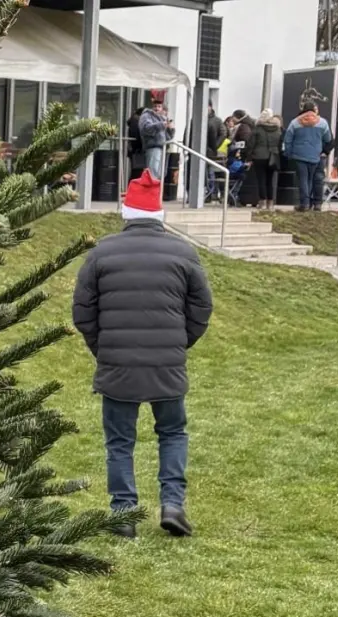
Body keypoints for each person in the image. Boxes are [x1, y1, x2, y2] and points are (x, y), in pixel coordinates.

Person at [72, 170, 212, 540]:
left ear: (126, 211)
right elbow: (202, 307)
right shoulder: (184, 252)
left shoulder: (101, 253)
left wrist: (103, 350)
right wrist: (179, 343)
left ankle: (123, 514)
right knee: (173, 432)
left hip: (117, 365)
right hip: (168, 364)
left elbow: (83, 311)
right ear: (159, 213)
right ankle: (172, 504)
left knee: (119, 441)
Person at [281, 101, 331, 211]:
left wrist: (288, 153)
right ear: (314, 109)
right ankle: (313, 203)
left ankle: (305, 204)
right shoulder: (322, 122)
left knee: (303, 179)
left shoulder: (295, 122)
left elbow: (287, 140)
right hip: (315, 155)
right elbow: (328, 139)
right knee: (311, 180)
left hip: (299, 155)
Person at [248, 109, 284, 210]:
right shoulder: (277, 129)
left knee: (261, 180)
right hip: (273, 156)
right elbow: (280, 144)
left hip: (259, 156)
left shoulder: (257, 129)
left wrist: (248, 156)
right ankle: (270, 202)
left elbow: (251, 144)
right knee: (270, 180)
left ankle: (262, 202)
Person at [138, 99, 173, 179]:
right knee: (152, 173)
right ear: (151, 107)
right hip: (153, 147)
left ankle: (157, 191)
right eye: (155, 106)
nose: (157, 108)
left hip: (163, 148)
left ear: (162, 108)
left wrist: (171, 129)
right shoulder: (146, 115)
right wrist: (161, 125)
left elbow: (168, 137)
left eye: (159, 106)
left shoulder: (162, 118)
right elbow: (146, 129)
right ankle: (151, 190)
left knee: (160, 174)